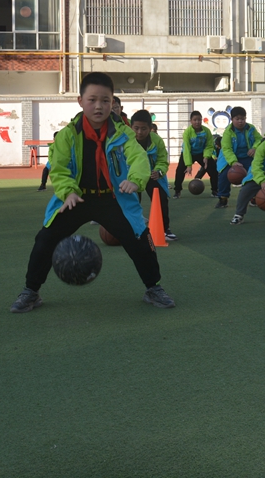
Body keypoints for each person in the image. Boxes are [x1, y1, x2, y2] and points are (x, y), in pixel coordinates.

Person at [9, 72, 174, 313]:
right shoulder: (68, 135)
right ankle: (31, 292)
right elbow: (59, 167)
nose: (99, 106)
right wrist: (68, 192)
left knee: (140, 238)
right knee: (45, 239)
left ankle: (154, 288)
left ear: (112, 102)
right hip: (77, 198)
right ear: (80, 101)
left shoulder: (123, 133)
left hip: (113, 198)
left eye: (105, 100)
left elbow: (138, 158)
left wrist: (135, 180)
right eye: (92, 99)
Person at [131, 110, 176, 241]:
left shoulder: (156, 140)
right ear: (131, 127)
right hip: (133, 176)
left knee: (161, 198)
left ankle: (165, 230)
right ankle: (133, 230)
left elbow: (162, 160)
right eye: (136, 128)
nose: (139, 132)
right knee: (131, 201)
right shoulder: (126, 140)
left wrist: (159, 171)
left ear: (150, 128)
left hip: (152, 174)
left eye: (144, 128)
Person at [214, 107, 261, 209]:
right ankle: (223, 198)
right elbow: (226, 149)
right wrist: (233, 162)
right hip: (230, 159)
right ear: (232, 119)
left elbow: (259, 140)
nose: (240, 121)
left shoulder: (251, 128)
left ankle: (253, 197)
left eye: (243, 119)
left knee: (255, 172)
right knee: (224, 175)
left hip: (247, 157)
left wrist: (254, 148)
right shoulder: (228, 132)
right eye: (237, 119)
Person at [173, 111, 217, 199]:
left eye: (199, 120)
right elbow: (187, 149)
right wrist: (188, 165)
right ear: (191, 121)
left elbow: (209, 145)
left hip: (201, 153)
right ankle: (177, 191)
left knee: (213, 170)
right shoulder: (187, 132)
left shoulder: (206, 131)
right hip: (189, 153)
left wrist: (206, 156)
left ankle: (215, 190)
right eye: (195, 120)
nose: (197, 122)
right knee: (180, 171)